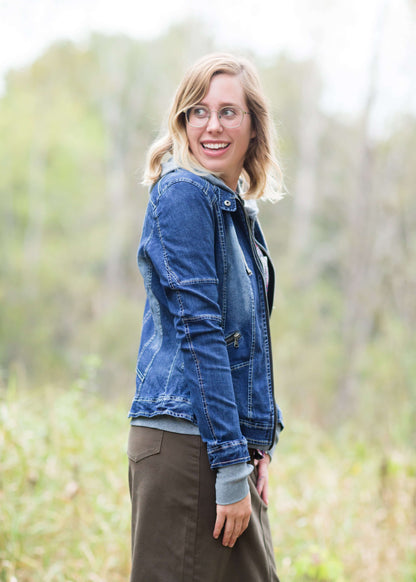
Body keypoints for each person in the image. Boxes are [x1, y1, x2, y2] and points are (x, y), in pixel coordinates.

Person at [127, 52, 284, 582]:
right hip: (187, 445)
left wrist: (256, 441)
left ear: (254, 126)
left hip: (215, 442)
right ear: (182, 122)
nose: (211, 126)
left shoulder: (232, 210)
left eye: (228, 112)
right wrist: (232, 462)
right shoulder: (183, 195)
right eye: (198, 111)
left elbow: (248, 342)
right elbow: (201, 335)